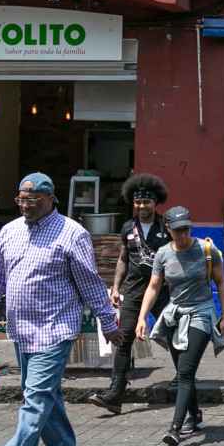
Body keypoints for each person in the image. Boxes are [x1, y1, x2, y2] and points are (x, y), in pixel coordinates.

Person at [0, 172, 118, 446]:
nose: (26, 206)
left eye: (33, 200)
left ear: (51, 199)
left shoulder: (72, 233)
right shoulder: (9, 232)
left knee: (35, 397)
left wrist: (108, 321)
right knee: (42, 393)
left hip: (55, 329)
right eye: (21, 200)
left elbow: (90, 282)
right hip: (21, 329)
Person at [136, 205, 224, 446]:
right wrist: (142, 318)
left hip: (201, 313)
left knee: (185, 373)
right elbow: (154, 287)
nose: (183, 234)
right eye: (177, 230)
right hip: (175, 314)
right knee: (182, 370)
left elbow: (221, 283)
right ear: (168, 229)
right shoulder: (163, 254)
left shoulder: (207, 250)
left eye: (186, 229)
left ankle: (175, 429)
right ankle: (195, 415)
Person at [88, 173, 171, 415]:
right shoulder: (127, 227)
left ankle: (184, 380)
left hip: (163, 291)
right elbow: (123, 259)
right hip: (134, 291)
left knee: (175, 335)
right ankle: (115, 393)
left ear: (155, 202)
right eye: (138, 202)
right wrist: (115, 287)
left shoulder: (166, 227)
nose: (142, 206)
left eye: (146, 202)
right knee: (123, 339)